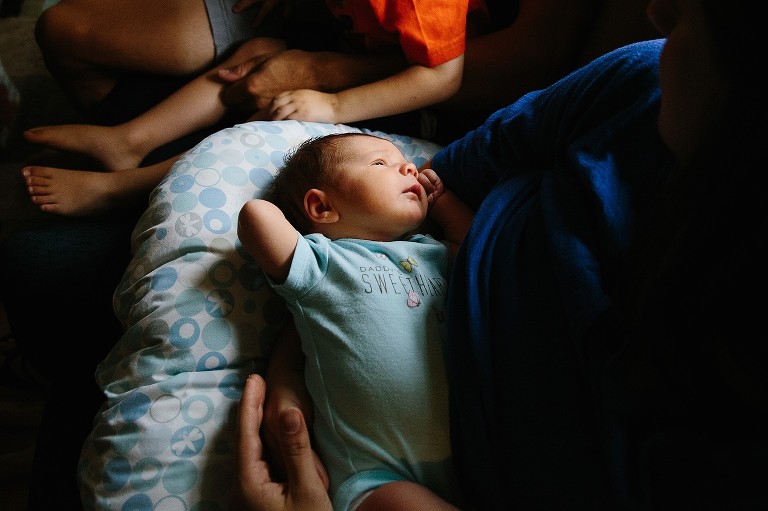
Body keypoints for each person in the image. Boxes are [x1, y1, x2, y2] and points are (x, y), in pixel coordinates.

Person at [232, 0, 768, 509]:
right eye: (380, 163)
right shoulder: (636, 83)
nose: (657, 12)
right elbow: (440, 191)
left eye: (706, 16)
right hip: (372, 456)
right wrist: (293, 370)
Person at [20, 0, 488, 217]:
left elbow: (442, 78)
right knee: (258, 50)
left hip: (405, 99)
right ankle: (127, 140)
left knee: (282, 109)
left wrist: (332, 103)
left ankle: (121, 187)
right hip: (354, 51)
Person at [237, 132, 474, 510]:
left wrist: (443, 202)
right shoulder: (321, 264)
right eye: (380, 164)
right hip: (379, 475)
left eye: (404, 163)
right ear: (322, 207)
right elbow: (255, 217)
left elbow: (473, 245)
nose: (408, 167)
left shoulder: (432, 253)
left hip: (475, 459)